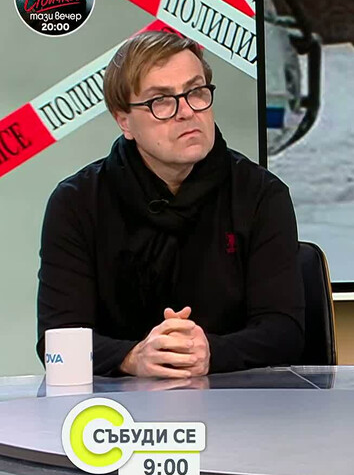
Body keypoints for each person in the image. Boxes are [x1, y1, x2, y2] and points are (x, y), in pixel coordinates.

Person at [36, 31, 305, 378]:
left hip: (237, 401)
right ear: (124, 120)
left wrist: (211, 352)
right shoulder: (76, 203)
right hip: (116, 407)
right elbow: (57, 338)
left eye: (195, 92)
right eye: (161, 101)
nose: (187, 112)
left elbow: (285, 331)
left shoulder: (261, 195)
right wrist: (132, 357)